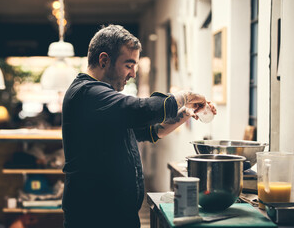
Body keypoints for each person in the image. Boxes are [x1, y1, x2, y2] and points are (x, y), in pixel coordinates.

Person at [62, 24, 217, 228]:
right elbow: (139, 109)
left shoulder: (102, 100)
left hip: (115, 215)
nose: (133, 73)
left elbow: (147, 131)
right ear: (104, 60)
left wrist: (183, 115)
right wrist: (185, 96)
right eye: (128, 65)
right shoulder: (87, 93)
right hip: (95, 216)